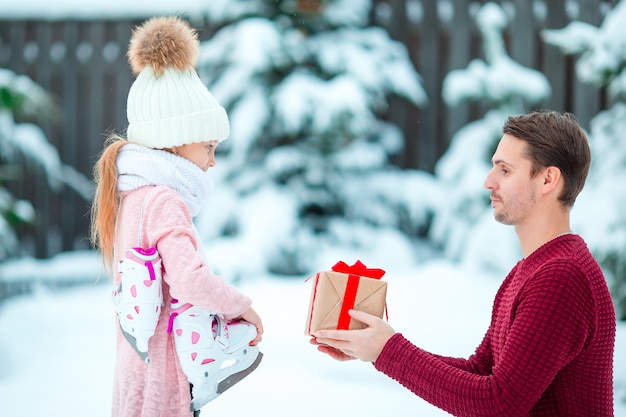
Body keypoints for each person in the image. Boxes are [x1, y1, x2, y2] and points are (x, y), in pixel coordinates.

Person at [311, 111, 616, 416]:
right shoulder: (533, 270)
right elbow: (481, 371)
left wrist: (389, 352)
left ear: (548, 179)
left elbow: (498, 403)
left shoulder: (562, 277)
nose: (488, 181)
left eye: (505, 170)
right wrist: (377, 349)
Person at [90, 16, 263, 417]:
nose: (212, 161)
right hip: (165, 380)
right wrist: (240, 307)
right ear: (175, 140)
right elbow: (189, 280)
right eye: (208, 146)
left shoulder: (133, 194)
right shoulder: (166, 200)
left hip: (135, 371)